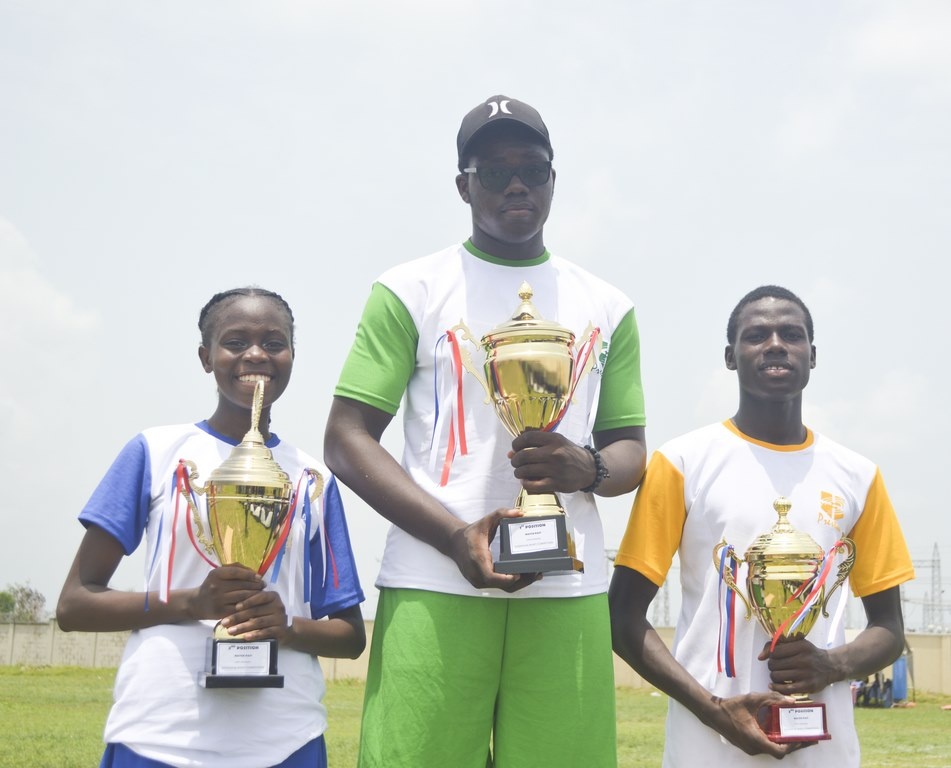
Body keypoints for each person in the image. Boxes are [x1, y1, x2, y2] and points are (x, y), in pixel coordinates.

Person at [324, 95, 647, 768]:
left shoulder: (607, 305)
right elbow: (347, 438)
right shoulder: (409, 289)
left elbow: (629, 451)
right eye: (494, 171)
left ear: (553, 179)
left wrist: (585, 467)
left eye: (532, 169)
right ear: (463, 185)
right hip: (433, 577)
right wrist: (452, 535)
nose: (516, 184)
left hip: (567, 583)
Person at [56, 287, 366, 768]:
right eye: (235, 342)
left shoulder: (313, 479)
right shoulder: (155, 452)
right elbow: (75, 604)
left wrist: (285, 628)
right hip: (160, 734)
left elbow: (350, 636)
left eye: (274, 343)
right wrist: (190, 603)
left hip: (286, 738)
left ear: (292, 357)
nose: (256, 354)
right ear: (206, 357)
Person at [609, 285, 914, 765]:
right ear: (730, 357)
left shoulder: (858, 475)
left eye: (791, 334)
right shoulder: (682, 462)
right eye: (756, 335)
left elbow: (890, 629)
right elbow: (622, 618)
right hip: (707, 745)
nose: (775, 344)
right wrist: (714, 710)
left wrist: (831, 664)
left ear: (813, 355)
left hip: (822, 748)